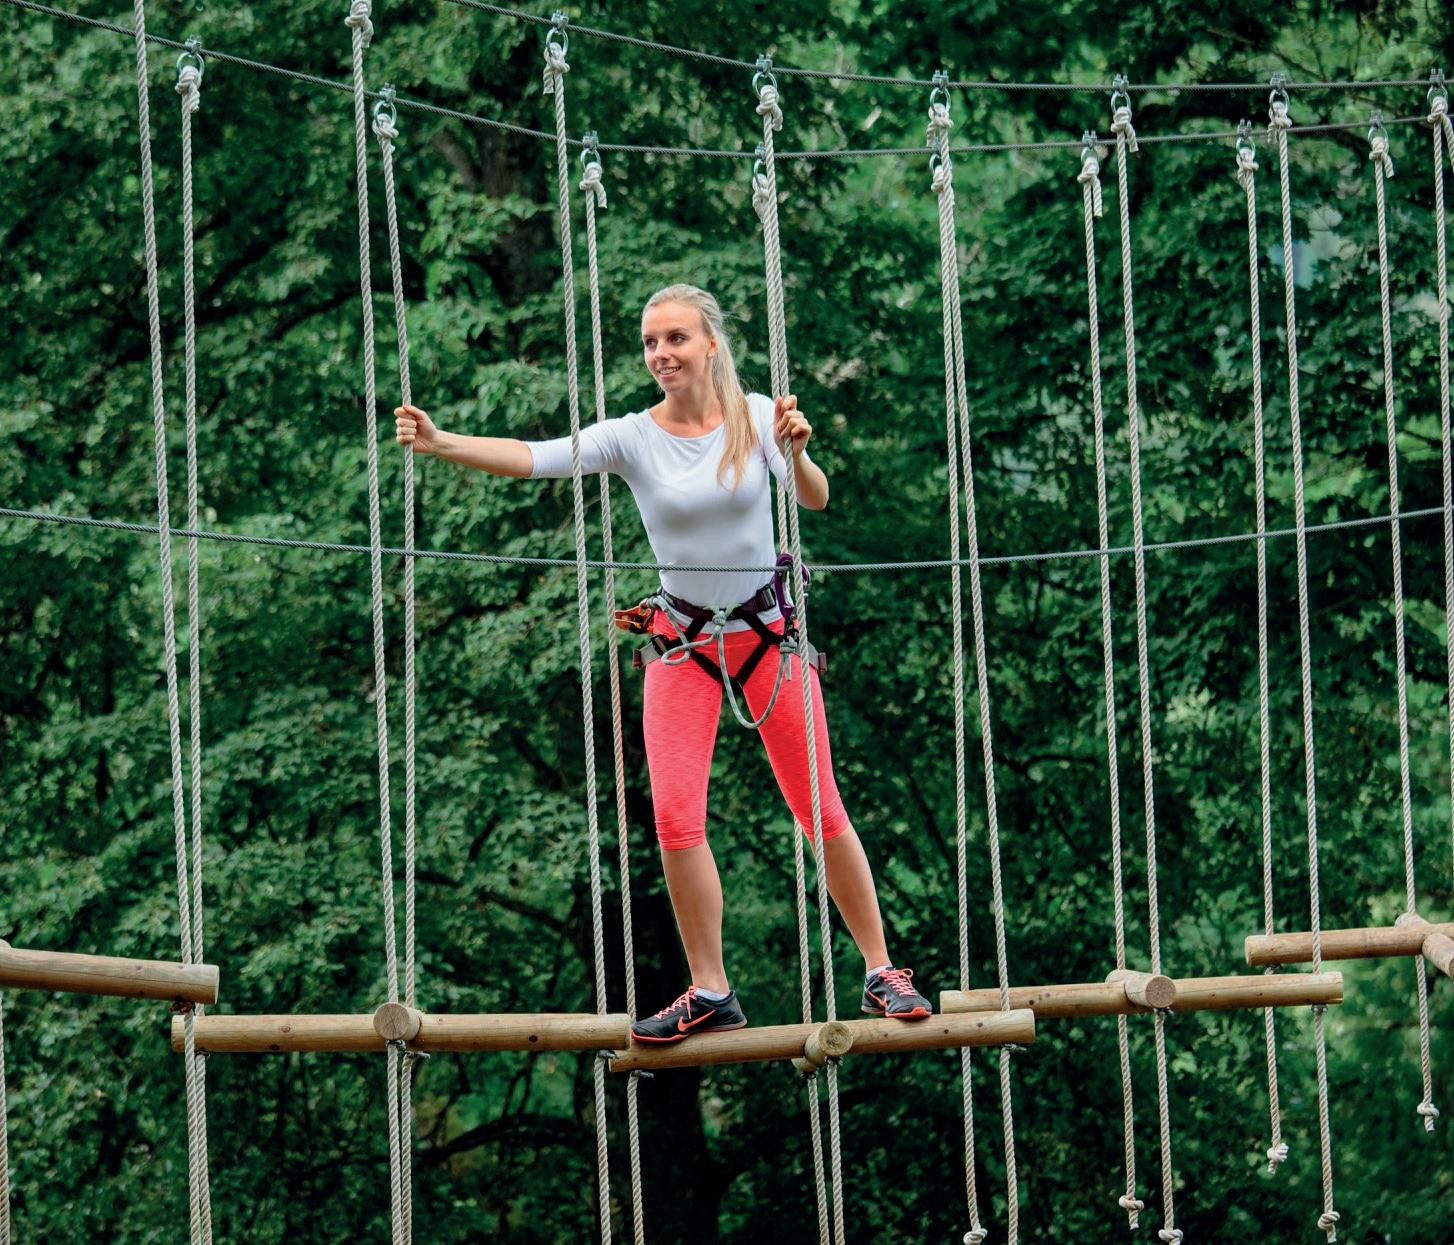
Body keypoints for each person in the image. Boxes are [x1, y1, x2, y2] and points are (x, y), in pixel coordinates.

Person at [395, 283, 932, 1043]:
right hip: (684, 645)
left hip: (767, 639)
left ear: (710, 344)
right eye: (650, 342)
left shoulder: (754, 416)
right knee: (676, 819)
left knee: (820, 807)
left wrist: (798, 451)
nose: (660, 354)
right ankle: (710, 989)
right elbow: (536, 458)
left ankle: (881, 969)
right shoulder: (632, 438)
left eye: (675, 339)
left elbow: (814, 498)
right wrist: (442, 441)